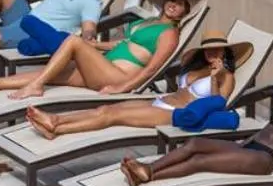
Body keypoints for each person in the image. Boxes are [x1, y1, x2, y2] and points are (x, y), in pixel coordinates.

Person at [0, 0, 205, 99]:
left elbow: (153, 68)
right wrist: (94, 47)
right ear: (165, 2)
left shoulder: (170, 34)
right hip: (104, 68)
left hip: (118, 77)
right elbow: (123, 46)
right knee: (53, 72)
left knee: (71, 43)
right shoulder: (150, 21)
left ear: (185, 12)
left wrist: (123, 88)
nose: (174, 4)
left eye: (181, 3)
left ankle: (35, 87)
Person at [22, 29, 247, 138]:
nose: (212, 52)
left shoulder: (226, 76)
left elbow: (219, 104)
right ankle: (56, 123)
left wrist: (216, 79)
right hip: (159, 101)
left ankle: (58, 126)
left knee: (112, 117)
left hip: (173, 114)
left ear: (225, 51)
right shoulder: (197, 68)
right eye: (208, 48)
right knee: (105, 109)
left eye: (217, 49)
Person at [119, 70, 273, 186]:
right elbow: (266, 132)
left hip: (263, 159)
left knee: (200, 162)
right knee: (194, 144)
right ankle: (150, 168)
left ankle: (148, 174)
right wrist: (241, 144)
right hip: (248, 147)